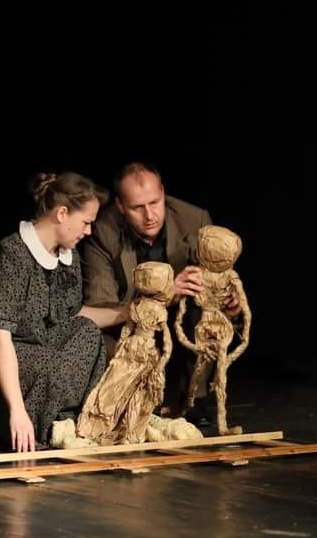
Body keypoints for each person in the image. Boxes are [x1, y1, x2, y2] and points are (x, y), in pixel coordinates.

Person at [0, 172, 125, 452]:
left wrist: (129, 312)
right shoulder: (12, 254)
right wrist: (16, 410)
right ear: (62, 213)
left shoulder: (68, 256)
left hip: (44, 351)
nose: (88, 231)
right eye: (85, 222)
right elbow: (0, 336)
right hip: (4, 357)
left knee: (87, 333)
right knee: (50, 363)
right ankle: (34, 428)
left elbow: (75, 316)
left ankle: (73, 421)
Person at [80, 161, 240, 413]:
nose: (150, 215)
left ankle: (194, 399)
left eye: (154, 202)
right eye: (137, 207)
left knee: (206, 314)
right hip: (129, 325)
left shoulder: (194, 220)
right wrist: (164, 294)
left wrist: (227, 302)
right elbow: (102, 306)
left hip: (180, 323)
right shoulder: (102, 232)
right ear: (120, 206)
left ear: (163, 192)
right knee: (98, 342)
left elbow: (213, 285)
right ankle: (128, 403)